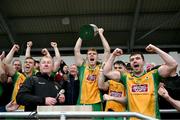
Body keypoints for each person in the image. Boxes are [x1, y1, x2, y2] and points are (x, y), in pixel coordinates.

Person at [103, 44, 177, 119]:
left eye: (137, 58)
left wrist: (155, 49)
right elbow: (106, 72)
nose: (134, 61)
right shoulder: (126, 77)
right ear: (131, 64)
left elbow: (173, 64)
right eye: (132, 60)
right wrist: (113, 55)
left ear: (144, 62)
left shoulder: (154, 75)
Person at [74, 27, 110, 111]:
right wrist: (83, 35)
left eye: (94, 54)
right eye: (89, 54)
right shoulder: (83, 67)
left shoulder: (101, 66)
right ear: (86, 57)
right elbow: (76, 50)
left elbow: (107, 51)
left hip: (96, 103)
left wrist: (101, 34)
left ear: (97, 57)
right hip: (82, 102)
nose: (92, 55)